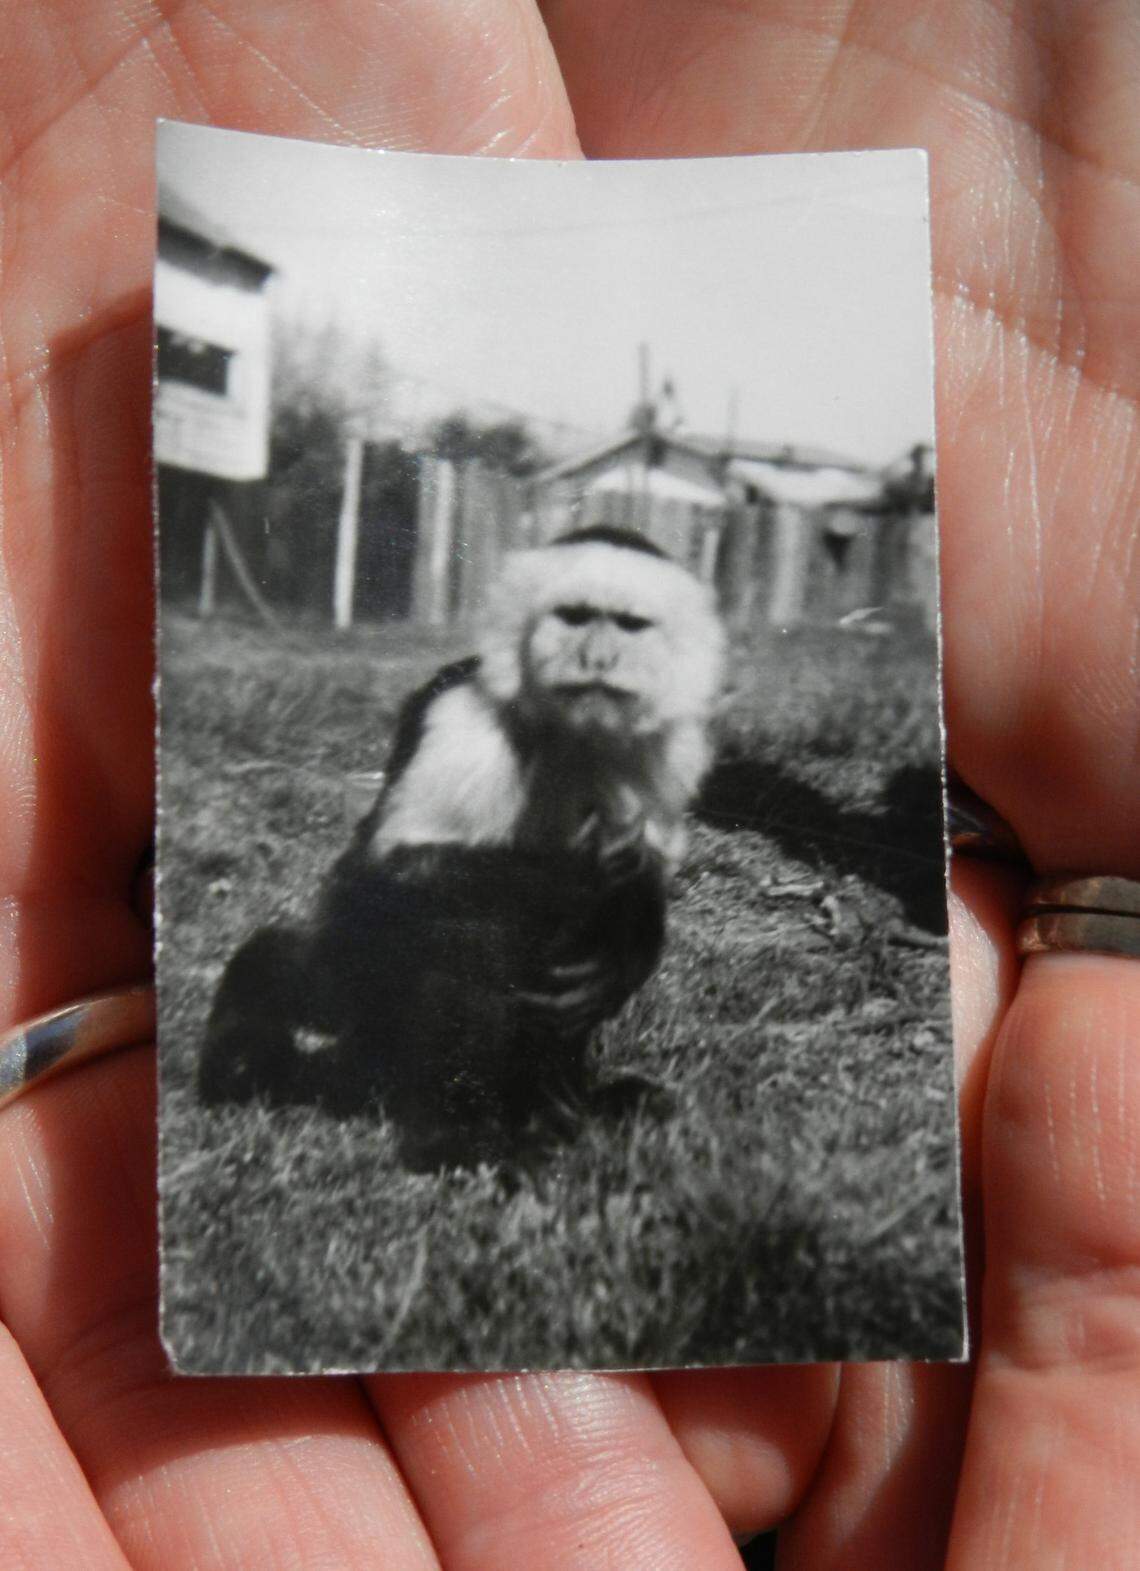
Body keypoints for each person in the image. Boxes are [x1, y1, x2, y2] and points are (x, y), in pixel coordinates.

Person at [0, 3, 1136, 1567]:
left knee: (623, 912)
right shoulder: (470, 720)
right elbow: (397, 899)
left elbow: (759, 807)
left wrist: (883, 839)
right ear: (518, 636)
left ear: (681, 655)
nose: (596, 652)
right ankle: (449, 1123)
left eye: (626, 630)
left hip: (516, 949)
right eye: (570, 625)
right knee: (508, 921)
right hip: (387, 948)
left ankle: (544, 1089)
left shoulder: (671, 733)